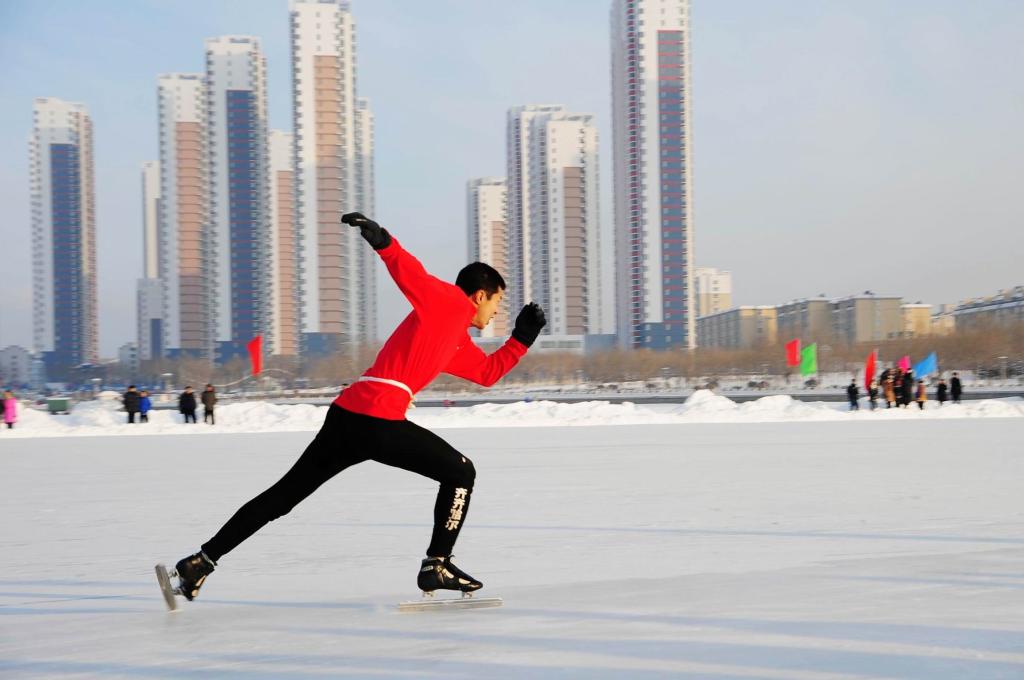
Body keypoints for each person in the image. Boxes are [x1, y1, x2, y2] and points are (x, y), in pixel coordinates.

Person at [167, 212, 545, 603]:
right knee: (461, 472)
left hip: (347, 417)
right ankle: (437, 564)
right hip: (378, 419)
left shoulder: (455, 339)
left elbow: (486, 373)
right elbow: (412, 275)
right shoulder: (449, 302)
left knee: (283, 496)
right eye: (497, 301)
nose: (497, 311)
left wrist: (521, 339)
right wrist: (383, 241)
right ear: (480, 295)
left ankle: (200, 562)